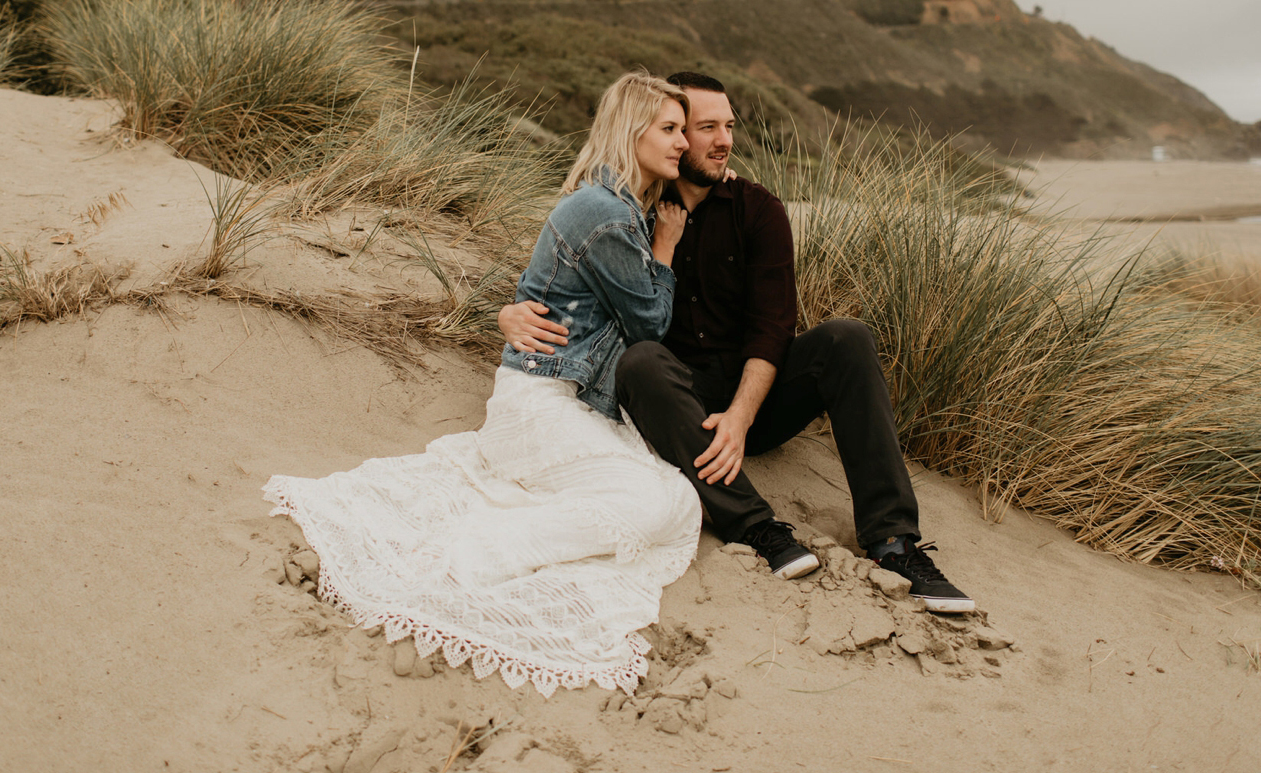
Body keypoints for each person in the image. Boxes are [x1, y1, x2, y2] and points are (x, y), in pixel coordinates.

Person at [264, 76, 704, 697]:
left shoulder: (616, 205)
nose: (683, 142)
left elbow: (540, 290)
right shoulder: (607, 214)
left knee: (673, 501)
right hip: (541, 401)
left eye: (687, 130)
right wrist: (665, 248)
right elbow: (649, 325)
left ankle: (515, 522)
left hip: (564, 399)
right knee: (653, 505)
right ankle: (483, 554)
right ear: (630, 129)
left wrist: (512, 308)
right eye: (669, 128)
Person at [499, 71, 976, 612]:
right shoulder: (635, 208)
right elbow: (561, 277)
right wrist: (508, 314)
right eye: (701, 127)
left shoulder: (760, 210)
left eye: (727, 125)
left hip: (752, 408)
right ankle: (756, 528)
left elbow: (773, 328)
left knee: (847, 337)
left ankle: (895, 543)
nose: (721, 140)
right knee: (642, 361)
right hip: (677, 411)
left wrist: (742, 418)